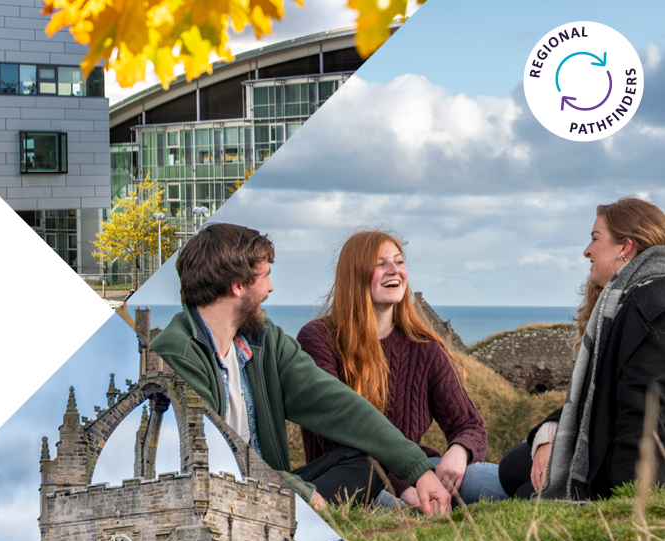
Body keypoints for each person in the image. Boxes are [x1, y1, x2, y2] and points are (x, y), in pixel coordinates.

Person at [150, 222, 452, 516]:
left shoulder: (265, 340)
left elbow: (339, 405)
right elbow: (207, 459)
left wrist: (418, 469)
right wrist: (302, 491)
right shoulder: (177, 354)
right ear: (238, 286)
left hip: (272, 486)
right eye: (265, 276)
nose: (271, 287)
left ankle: (305, 508)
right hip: (217, 498)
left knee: (368, 459)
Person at [297, 230, 505, 507]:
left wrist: (459, 451)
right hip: (353, 477)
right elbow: (333, 438)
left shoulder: (424, 346)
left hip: (420, 470)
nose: (394, 270)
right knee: (394, 510)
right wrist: (407, 485)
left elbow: (468, 425)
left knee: (500, 481)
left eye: (399, 262)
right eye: (380, 264)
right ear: (355, 273)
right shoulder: (318, 339)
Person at [499, 197, 665, 500]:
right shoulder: (628, 299)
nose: (586, 251)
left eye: (595, 239)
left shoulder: (649, 305)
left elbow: (643, 413)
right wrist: (551, 433)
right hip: (611, 440)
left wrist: (631, 502)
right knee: (514, 465)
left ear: (625, 247)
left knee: (524, 487)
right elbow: (598, 393)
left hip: (628, 466)